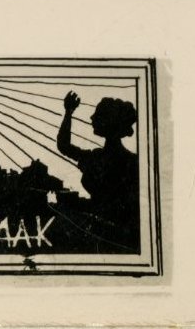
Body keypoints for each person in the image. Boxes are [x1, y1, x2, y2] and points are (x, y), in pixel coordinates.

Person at [55, 91, 141, 251]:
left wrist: (68, 112)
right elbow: (64, 146)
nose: (91, 118)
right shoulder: (131, 160)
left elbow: (64, 146)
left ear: (109, 123)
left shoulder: (97, 158)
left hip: (112, 239)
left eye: (97, 115)